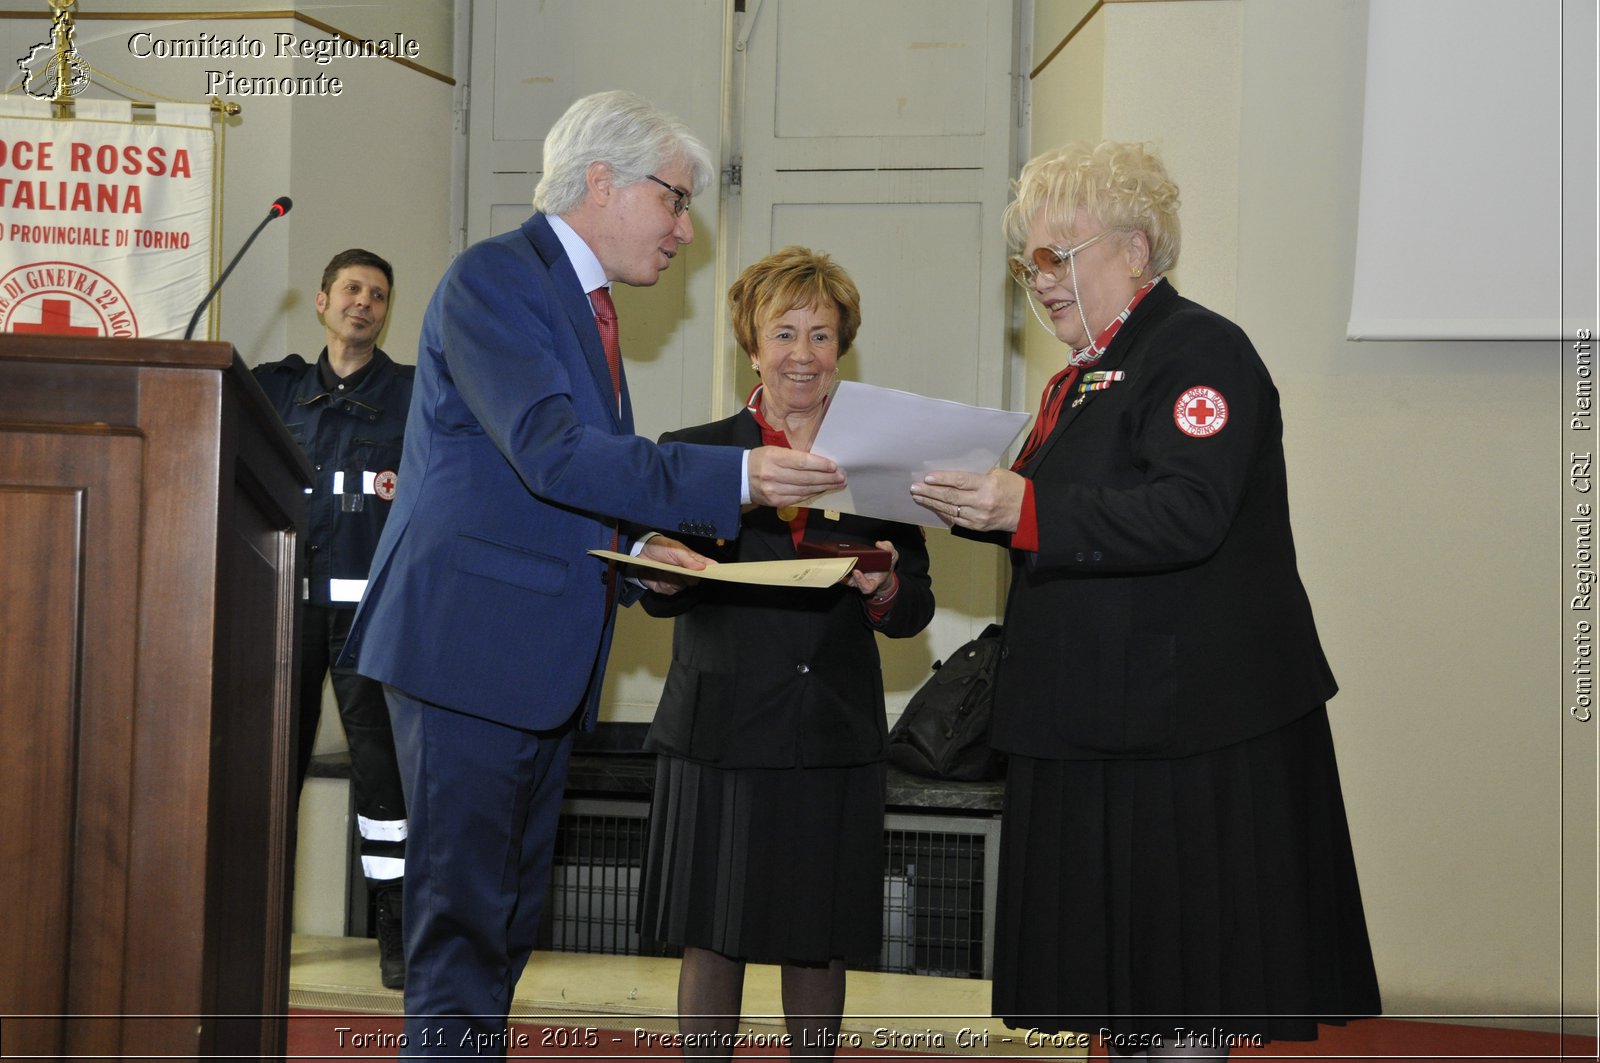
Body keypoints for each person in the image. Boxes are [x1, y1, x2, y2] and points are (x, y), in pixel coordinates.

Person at [339, 91, 845, 1057]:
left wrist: (635, 556)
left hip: (528, 668)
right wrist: (733, 474)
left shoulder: (581, 306)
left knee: (502, 929)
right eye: (677, 200)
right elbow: (553, 450)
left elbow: (537, 492)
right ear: (604, 181)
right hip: (465, 661)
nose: (686, 230)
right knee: (459, 937)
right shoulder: (496, 280)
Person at [909, 141, 1381, 1060]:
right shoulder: (1081, 376)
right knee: (1127, 995)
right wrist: (968, 504)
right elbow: (1076, 517)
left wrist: (1027, 505)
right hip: (1106, 725)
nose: (1039, 281)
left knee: (1181, 989)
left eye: (1058, 255)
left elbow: (1189, 511)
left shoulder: (1199, 350)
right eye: (1028, 262)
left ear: (1136, 247)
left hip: (1187, 735)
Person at [636, 247, 935, 1058]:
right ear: (751, 342)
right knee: (713, 934)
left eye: (823, 336)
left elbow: (915, 606)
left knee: (819, 936)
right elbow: (652, 580)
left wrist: (880, 590)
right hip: (719, 730)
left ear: (843, 348)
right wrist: (663, 578)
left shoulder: (878, 470)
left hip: (831, 731)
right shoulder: (696, 451)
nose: (803, 354)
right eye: (785, 333)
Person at [252, 248, 410, 990]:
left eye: (377, 295)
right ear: (321, 302)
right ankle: (258, 932)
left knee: (385, 785)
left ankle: (398, 933)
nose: (364, 302)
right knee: (271, 773)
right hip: (285, 615)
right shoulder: (275, 392)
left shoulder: (413, 396)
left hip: (371, 623)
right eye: (351, 289)